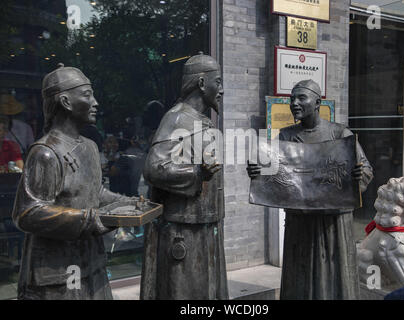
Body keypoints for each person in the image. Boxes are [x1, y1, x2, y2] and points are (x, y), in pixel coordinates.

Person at [12, 63, 132, 300]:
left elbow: (95, 192)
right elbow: (27, 212)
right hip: (57, 269)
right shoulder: (46, 153)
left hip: (92, 259)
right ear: (65, 102)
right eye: (87, 95)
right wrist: (91, 219)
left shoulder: (90, 147)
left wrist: (127, 203)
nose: (96, 102)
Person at [247, 79, 373, 300]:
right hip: (301, 221)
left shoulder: (339, 133)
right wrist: (258, 172)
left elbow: (366, 169)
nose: (294, 103)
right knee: (301, 273)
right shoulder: (286, 136)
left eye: (301, 98)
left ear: (318, 102)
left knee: (335, 273)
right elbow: (275, 174)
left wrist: (359, 176)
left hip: (333, 221)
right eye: (291, 99)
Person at [140, 53, 228, 300]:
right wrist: (196, 172)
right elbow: (154, 168)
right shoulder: (178, 118)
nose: (221, 89)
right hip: (183, 231)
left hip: (205, 227)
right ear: (201, 83)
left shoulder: (204, 121)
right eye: (217, 82)